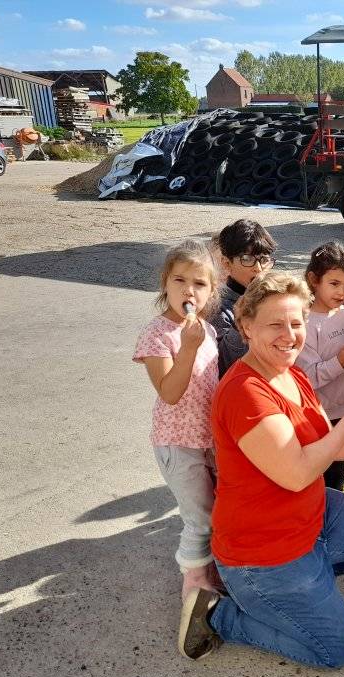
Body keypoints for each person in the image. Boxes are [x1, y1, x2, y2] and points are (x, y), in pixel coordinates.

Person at [178, 271, 344, 666]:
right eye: (274, 324)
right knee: (336, 650)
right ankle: (219, 613)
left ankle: (307, 585)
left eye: (296, 323)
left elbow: (330, 448)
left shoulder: (290, 373)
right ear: (245, 327)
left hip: (308, 516)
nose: (289, 334)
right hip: (261, 551)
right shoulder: (245, 391)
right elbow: (297, 472)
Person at [132, 240, 222, 600]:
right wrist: (187, 348)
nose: (189, 290)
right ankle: (195, 585)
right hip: (177, 442)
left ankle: (214, 568)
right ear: (165, 282)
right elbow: (169, 392)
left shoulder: (206, 330)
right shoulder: (158, 334)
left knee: (215, 510)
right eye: (180, 280)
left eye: (200, 284)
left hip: (208, 438)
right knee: (199, 519)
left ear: (212, 291)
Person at [295, 241, 344, 492]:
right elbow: (307, 378)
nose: (342, 292)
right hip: (323, 415)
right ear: (314, 280)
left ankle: (335, 505)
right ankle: (321, 522)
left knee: (339, 469)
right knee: (326, 475)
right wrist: (339, 363)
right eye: (334, 284)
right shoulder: (304, 323)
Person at [211, 219, 277, 377]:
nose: (258, 268)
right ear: (227, 264)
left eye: (264, 259)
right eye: (247, 259)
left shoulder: (274, 298)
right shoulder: (217, 308)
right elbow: (225, 362)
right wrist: (244, 316)